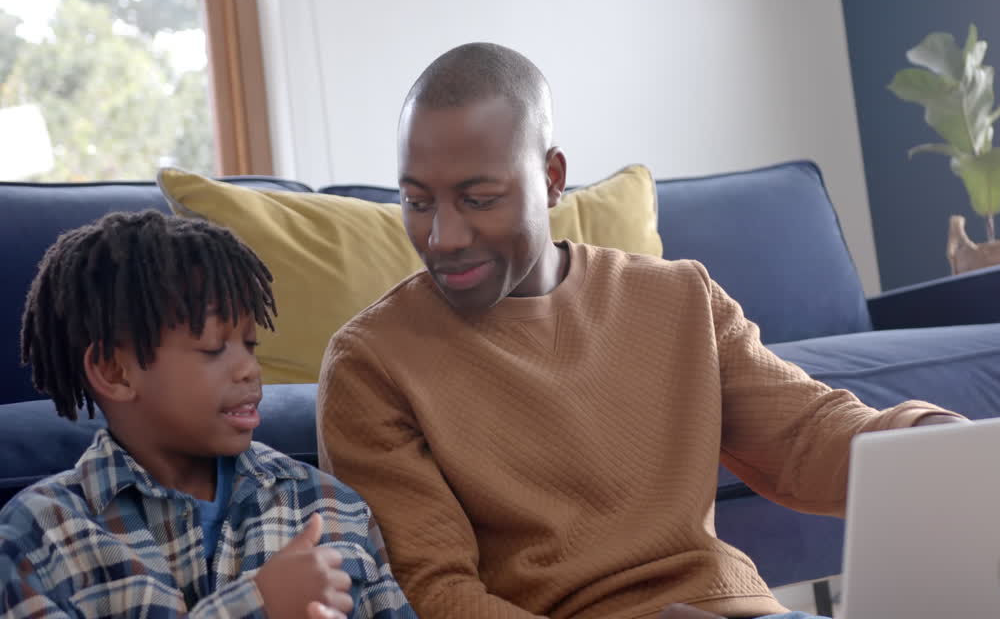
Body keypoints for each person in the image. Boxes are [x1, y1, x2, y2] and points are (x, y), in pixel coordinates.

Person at [316, 43, 965, 619]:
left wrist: (929, 441)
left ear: (551, 179)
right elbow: (434, 598)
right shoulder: (370, 365)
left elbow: (805, 438)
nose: (442, 237)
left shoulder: (678, 297)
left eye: (478, 199)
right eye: (417, 201)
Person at [0, 210, 415, 619]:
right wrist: (256, 606)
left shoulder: (330, 507)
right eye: (214, 348)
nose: (248, 369)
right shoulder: (39, 536)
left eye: (250, 344)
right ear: (115, 372)